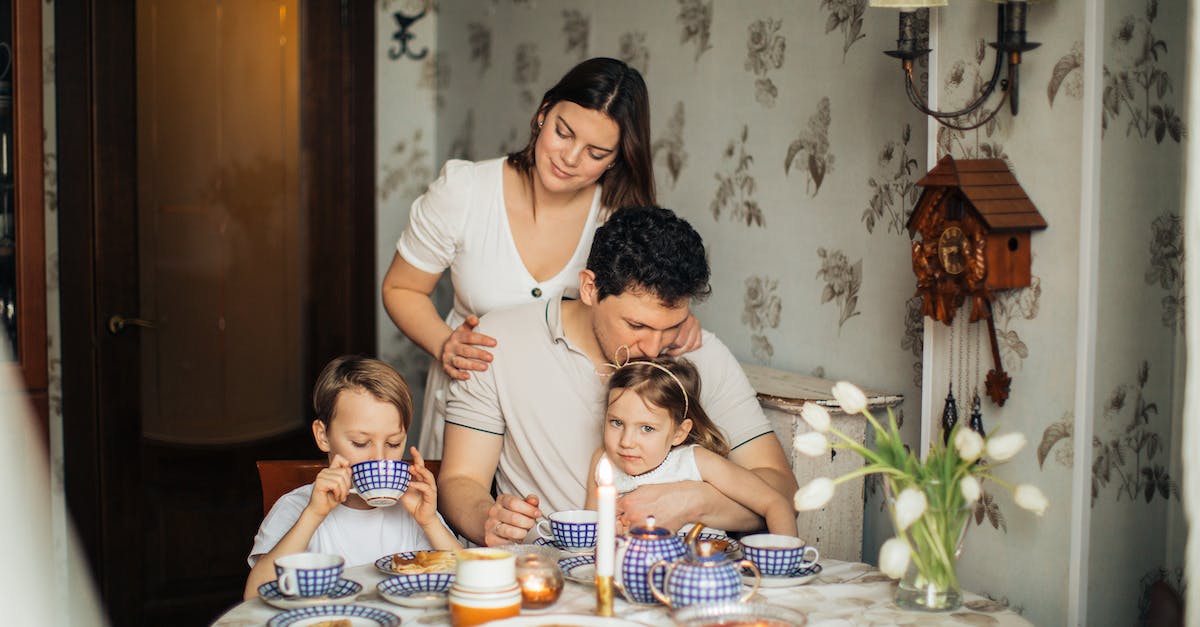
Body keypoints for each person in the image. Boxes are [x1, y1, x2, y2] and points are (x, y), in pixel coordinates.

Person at [381, 57, 700, 459]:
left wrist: (676, 322)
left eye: (596, 153)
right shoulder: (465, 192)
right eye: (563, 133)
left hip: (564, 423)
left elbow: (649, 299)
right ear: (543, 114)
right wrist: (445, 343)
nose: (570, 158)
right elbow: (400, 287)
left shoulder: (618, 217)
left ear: (617, 157)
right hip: (470, 406)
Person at [437, 206, 798, 547]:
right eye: (637, 325)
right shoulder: (497, 339)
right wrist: (488, 517)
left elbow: (779, 490)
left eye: (671, 326)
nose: (655, 349)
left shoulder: (701, 352)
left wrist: (695, 501)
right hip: (553, 569)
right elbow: (461, 480)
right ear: (590, 288)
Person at [243, 356, 460, 599]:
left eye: (393, 443)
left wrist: (430, 522)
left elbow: (472, 580)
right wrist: (313, 515)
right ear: (323, 436)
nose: (380, 458)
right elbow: (254, 597)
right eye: (360, 442)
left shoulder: (414, 514)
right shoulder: (296, 507)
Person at [583, 357, 798, 538]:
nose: (626, 441)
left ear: (679, 432)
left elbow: (775, 503)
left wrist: (783, 564)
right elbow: (591, 531)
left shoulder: (696, 462)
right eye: (617, 423)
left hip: (703, 575)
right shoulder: (603, 461)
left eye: (647, 428)